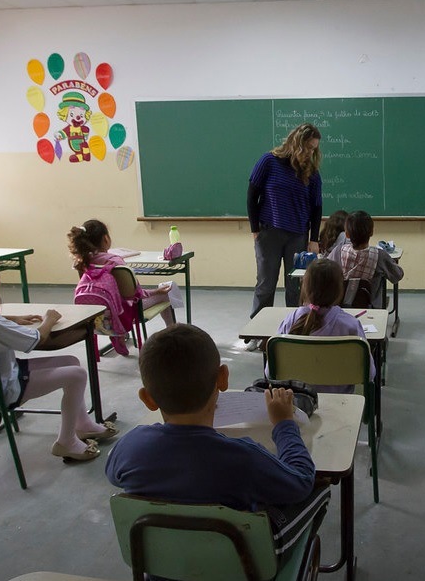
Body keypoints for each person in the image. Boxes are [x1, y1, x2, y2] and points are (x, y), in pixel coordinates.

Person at [105, 324, 328, 570]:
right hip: (237, 570)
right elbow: (301, 481)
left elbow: (113, 474)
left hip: (165, 571)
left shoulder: (129, 447)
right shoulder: (243, 458)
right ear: (223, 378)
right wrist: (285, 424)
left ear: (147, 398)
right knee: (319, 488)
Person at [0, 250, 116, 462]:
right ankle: (66, 442)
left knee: (70, 361)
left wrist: (9, 319)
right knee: (77, 374)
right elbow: (35, 339)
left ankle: (83, 424)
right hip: (2, 391)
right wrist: (49, 319)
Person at [247, 123, 323, 322]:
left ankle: (295, 327)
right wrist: (255, 230)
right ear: (296, 143)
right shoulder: (269, 161)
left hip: (298, 235)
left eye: (314, 148)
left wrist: (314, 239)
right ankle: (258, 332)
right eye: (307, 147)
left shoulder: (312, 173)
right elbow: (251, 195)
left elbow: (317, 208)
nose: (310, 152)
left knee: (296, 286)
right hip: (269, 232)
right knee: (265, 285)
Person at [67, 219, 175, 355]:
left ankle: (119, 336)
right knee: (165, 294)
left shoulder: (82, 262)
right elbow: (136, 294)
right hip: (124, 312)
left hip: (94, 314)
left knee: (115, 301)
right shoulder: (115, 261)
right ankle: (173, 332)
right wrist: (157, 291)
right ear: (106, 239)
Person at [275, 258, 373, 393]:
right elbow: (369, 374)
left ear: (304, 286)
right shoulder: (351, 325)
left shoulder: (290, 321)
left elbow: (271, 371)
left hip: (298, 402)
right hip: (341, 403)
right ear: (340, 289)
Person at [327, 210, 404, 309]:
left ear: (347, 234)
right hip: (371, 309)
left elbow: (325, 273)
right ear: (371, 232)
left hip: (340, 308)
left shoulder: (337, 252)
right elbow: (398, 275)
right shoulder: (380, 256)